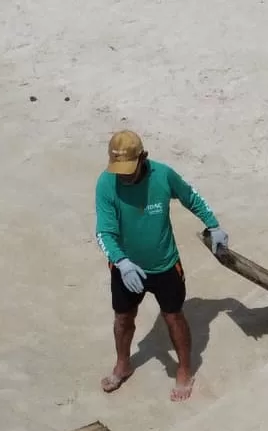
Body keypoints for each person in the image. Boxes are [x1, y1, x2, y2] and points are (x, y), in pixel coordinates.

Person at [96, 129, 224, 402]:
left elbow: (190, 197)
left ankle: (185, 369)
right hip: (126, 267)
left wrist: (213, 225)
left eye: (129, 170)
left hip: (165, 265)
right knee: (122, 318)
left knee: (173, 316)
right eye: (119, 170)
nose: (124, 176)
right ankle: (123, 364)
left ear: (143, 157)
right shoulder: (106, 184)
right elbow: (104, 232)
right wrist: (122, 262)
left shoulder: (163, 175)